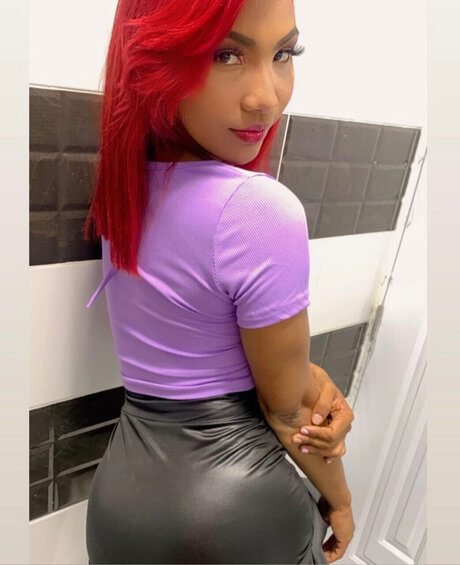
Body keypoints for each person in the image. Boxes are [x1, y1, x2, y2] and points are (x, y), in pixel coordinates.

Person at [83, 0, 355, 563]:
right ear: (153, 62)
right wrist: (341, 501)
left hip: (118, 504)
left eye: (285, 53)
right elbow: (287, 413)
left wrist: (309, 379)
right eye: (225, 55)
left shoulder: (125, 193)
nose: (266, 98)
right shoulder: (258, 208)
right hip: (236, 513)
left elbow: (199, 341)